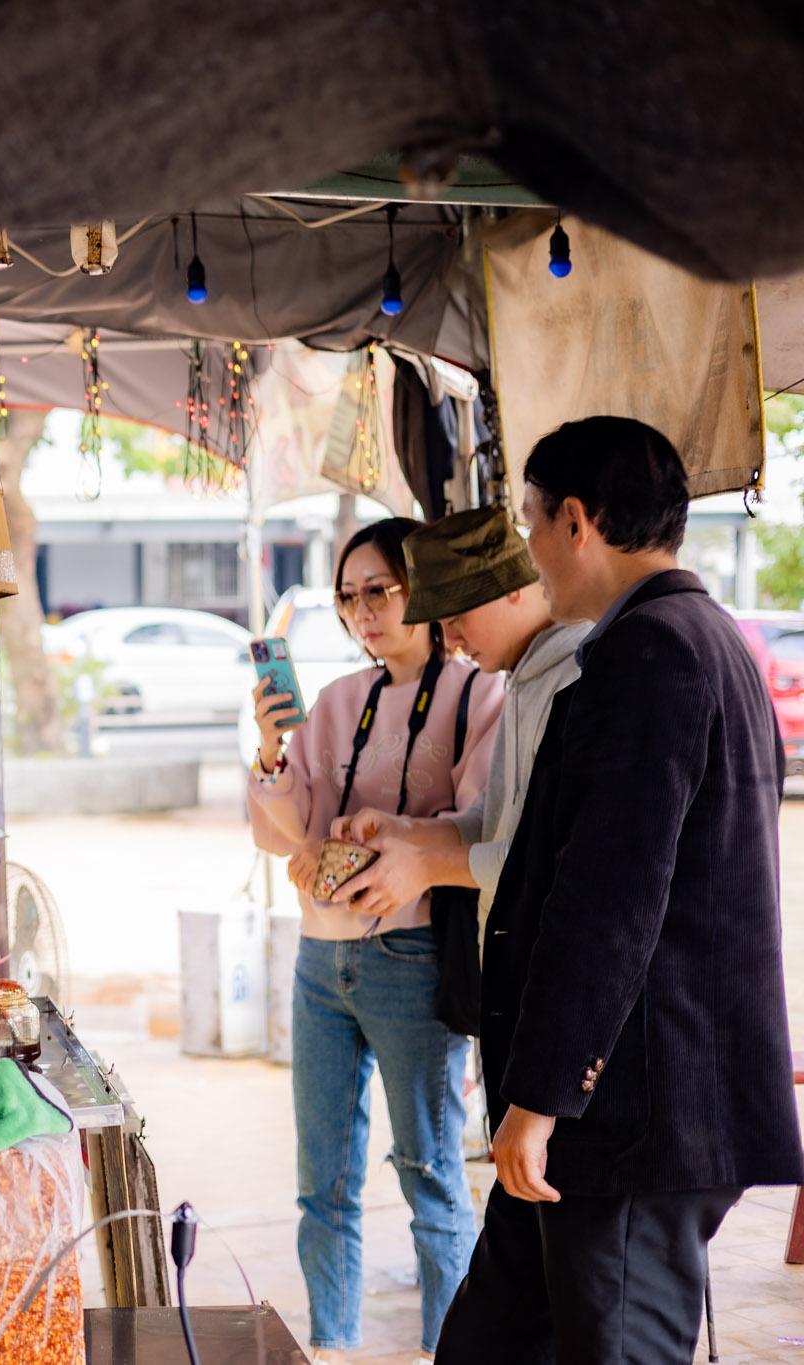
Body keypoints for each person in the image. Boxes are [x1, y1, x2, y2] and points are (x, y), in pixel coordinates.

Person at [435, 417, 803, 1363]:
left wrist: (543, 1098)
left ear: (576, 521)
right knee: (490, 1341)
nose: (530, 554)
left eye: (529, 526)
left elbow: (611, 900)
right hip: (618, 1114)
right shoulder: (695, 638)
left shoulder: (655, 652)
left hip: (634, 1117)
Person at [247, 517, 504, 1365]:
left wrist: (395, 832)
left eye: (379, 590)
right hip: (323, 954)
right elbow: (289, 832)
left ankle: (450, 1349)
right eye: (348, 595)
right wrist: (273, 748)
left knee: (429, 1173)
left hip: (413, 955)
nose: (362, 611)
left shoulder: (477, 694)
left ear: (422, 590)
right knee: (321, 1181)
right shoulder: (332, 701)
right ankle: (333, 1345)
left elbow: (483, 825)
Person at [331, 507, 589, 954]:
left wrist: (426, 868)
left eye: (456, 617)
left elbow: (549, 854)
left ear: (511, 590)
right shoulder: (522, 678)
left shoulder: (575, 677)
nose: (449, 639)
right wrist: (403, 831)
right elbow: (487, 821)